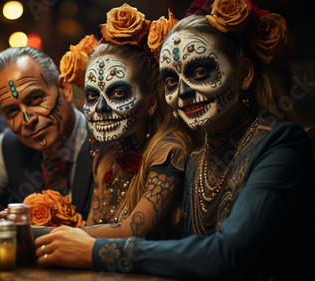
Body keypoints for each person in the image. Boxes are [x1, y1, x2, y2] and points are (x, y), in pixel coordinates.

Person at [34, 1, 315, 280]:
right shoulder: (197, 159)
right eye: (170, 79)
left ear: (243, 74)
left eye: (200, 72)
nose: (182, 92)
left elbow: (228, 253)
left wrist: (97, 251)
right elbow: (186, 254)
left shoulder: (281, 144)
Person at [55, 4, 197, 240]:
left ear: (151, 103)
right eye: (92, 96)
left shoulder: (169, 150)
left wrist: (34, 234)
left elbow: (133, 230)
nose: (99, 108)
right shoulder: (105, 159)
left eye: (118, 93)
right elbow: (93, 226)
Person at [0, 47, 96, 220]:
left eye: (35, 99)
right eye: (12, 111)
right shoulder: (11, 146)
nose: (28, 119)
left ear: (65, 89)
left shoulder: (106, 139)